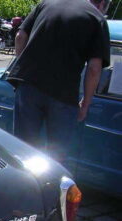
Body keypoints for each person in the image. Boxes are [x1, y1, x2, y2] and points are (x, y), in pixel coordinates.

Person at [8, 0, 111, 162]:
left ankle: (22, 178)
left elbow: (20, 37)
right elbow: (94, 68)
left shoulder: (47, 3)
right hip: (64, 94)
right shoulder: (97, 18)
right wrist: (85, 103)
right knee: (56, 156)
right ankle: (51, 178)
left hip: (29, 85)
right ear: (102, 4)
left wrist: (24, 65)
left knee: (23, 150)